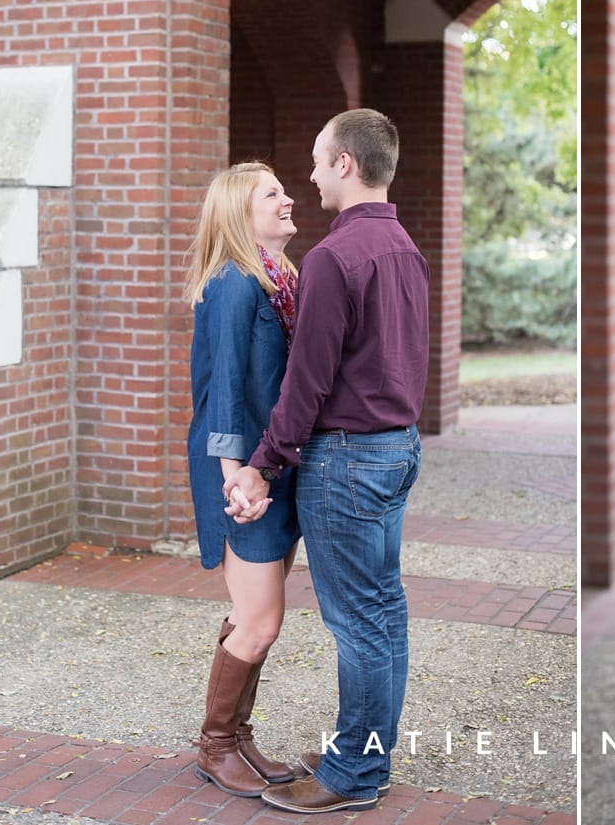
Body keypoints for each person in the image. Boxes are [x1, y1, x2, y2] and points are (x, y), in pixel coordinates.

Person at [225, 108, 430, 815]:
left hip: (346, 459)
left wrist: (263, 464)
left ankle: (351, 774)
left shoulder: (334, 259)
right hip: (397, 446)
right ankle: (367, 752)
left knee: (359, 623)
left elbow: (305, 383)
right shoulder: (403, 245)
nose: (309, 177)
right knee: (384, 612)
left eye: (316, 161)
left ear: (345, 162)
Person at [183, 161, 304, 797]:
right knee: (260, 618)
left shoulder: (281, 277)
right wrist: (237, 475)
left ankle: (237, 734)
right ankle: (215, 744)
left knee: (255, 614)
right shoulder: (234, 281)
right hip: (239, 468)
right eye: (273, 194)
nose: (288, 200)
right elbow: (225, 384)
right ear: (240, 213)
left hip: (270, 467)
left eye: (284, 190)